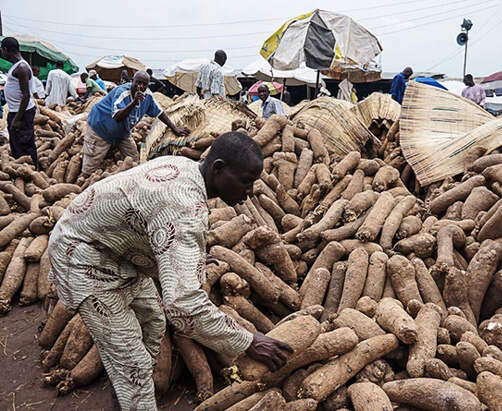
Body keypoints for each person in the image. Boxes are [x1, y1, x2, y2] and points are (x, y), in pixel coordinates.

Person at [48, 131, 293, 410]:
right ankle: (132, 389)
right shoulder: (183, 206)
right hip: (83, 258)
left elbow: (161, 229)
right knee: (135, 364)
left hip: (117, 253)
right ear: (218, 168)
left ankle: (126, 396)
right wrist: (247, 341)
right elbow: (183, 305)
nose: (249, 192)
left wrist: (188, 258)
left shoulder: (190, 171)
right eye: (246, 182)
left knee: (153, 323)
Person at [82, 71, 189, 175]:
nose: (141, 86)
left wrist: (174, 128)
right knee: (90, 169)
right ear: (132, 81)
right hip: (100, 127)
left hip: (122, 131)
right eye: (138, 82)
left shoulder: (148, 96)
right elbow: (117, 117)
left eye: (144, 84)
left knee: (135, 162)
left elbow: (160, 113)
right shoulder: (122, 92)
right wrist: (134, 103)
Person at [1, 37, 38, 164]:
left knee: (25, 143)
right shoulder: (17, 66)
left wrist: (17, 119)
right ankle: (21, 170)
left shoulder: (21, 68)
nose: (1, 52)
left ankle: (32, 170)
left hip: (21, 113)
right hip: (16, 111)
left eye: (2, 49)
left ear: (5, 49)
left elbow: (26, 95)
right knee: (17, 144)